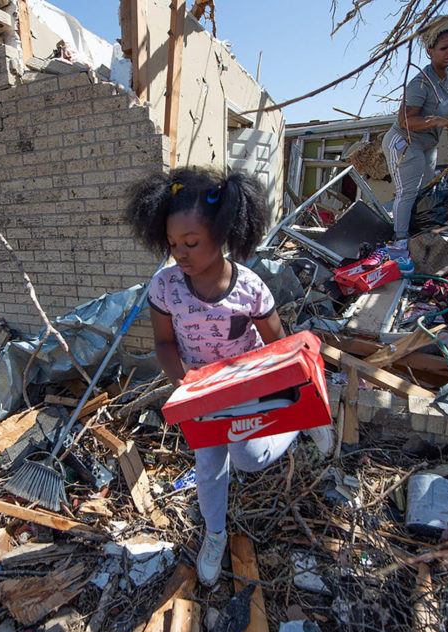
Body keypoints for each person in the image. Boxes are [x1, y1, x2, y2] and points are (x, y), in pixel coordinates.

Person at [126, 167, 334, 586]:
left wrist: (297, 399)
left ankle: (299, 423)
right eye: (172, 244)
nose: (180, 254)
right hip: (201, 392)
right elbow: (164, 343)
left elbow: (279, 347)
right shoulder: (165, 287)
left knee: (248, 458)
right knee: (209, 467)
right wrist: (183, 383)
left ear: (221, 236)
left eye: (191, 243)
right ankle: (215, 534)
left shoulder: (250, 289)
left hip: (247, 388)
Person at [382, 17, 448, 266]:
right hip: (405, 141)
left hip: (428, 145)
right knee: (408, 192)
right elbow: (404, 121)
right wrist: (436, 121)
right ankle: (400, 243)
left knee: (425, 191)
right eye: (444, 48)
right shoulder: (421, 82)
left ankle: (418, 239)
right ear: (430, 51)